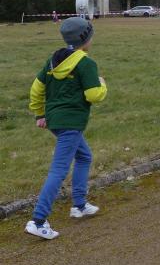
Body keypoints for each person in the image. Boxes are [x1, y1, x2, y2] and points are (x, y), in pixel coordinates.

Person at [26, 17, 108, 240]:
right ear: (86, 38)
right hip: (71, 124)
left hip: (56, 122)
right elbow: (93, 95)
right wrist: (102, 84)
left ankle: (79, 205)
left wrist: (40, 113)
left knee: (84, 156)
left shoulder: (53, 60)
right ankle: (38, 220)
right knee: (59, 170)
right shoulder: (86, 63)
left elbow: (36, 88)